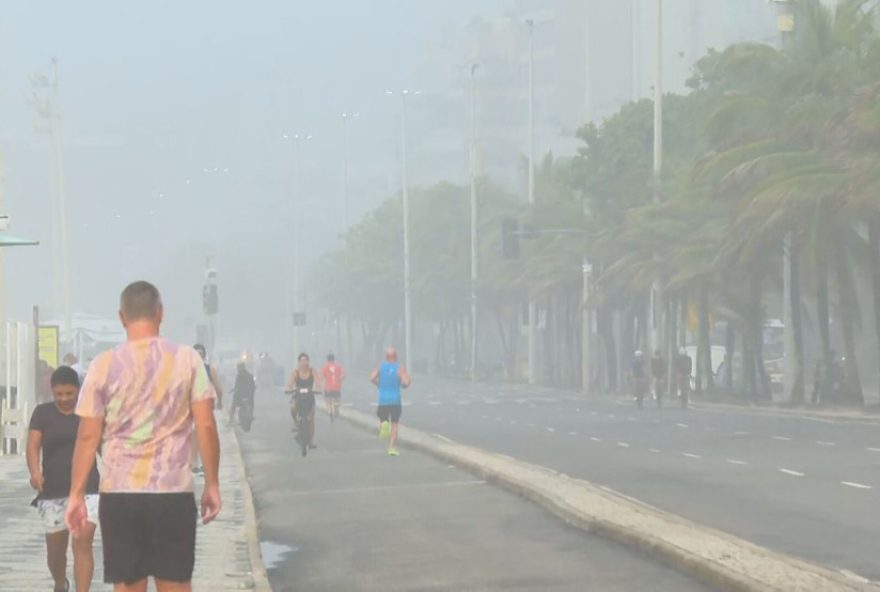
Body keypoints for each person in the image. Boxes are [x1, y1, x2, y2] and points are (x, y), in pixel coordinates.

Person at [65, 281, 221, 592]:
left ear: (122, 317)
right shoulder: (187, 360)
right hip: (173, 493)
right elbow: (205, 426)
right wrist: (212, 484)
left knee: (127, 584)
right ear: (160, 314)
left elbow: (86, 437)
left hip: (120, 494)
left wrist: (76, 495)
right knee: (175, 583)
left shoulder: (103, 365)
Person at [27, 366, 100, 592]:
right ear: (52, 391)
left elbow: (103, 444)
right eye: (59, 394)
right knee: (56, 552)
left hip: (88, 488)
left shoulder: (89, 412)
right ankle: (60, 582)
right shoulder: (42, 413)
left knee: (82, 541)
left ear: (78, 390)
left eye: (69, 394)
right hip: (53, 490)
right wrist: (35, 472)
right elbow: (33, 445)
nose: (64, 399)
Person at [369, 347, 411, 456]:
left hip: (383, 400)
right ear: (396, 356)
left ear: (386, 356)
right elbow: (406, 382)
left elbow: (371, 378)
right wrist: (402, 384)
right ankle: (392, 447)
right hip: (395, 400)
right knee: (395, 424)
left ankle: (384, 424)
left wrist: (379, 384)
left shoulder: (381, 366)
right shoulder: (399, 368)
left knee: (383, 418)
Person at [192, 343, 223, 475]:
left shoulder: (209, 370)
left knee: (199, 435)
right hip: (194, 406)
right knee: (197, 435)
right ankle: (198, 465)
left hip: (204, 406)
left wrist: (219, 401)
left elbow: (218, 388)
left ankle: (200, 465)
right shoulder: (207, 369)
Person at [285, 353, 319, 448]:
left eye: (305, 360)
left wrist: (318, 388)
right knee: (292, 408)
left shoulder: (312, 371)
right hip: (298, 396)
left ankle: (310, 442)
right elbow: (290, 383)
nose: (304, 362)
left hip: (309, 397)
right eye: (302, 360)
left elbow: (318, 381)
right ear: (298, 362)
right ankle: (295, 422)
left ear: (308, 362)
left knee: (311, 419)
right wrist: (289, 389)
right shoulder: (295, 372)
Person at [320, 353, 346, 420]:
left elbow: (321, 376)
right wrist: (340, 379)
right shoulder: (339, 366)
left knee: (328, 400)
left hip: (328, 387)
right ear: (334, 359)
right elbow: (343, 375)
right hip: (337, 387)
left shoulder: (325, 367)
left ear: (327, 359)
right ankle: (336, 410)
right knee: (337, 400)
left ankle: (330, 411)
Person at [229, 361, 256, 426]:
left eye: (238, 368)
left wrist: (235, 390)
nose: (238, 369)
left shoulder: (239, 376)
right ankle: (251, 414)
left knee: (233, 406)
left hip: (240, 395)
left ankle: (230, 420)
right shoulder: (250, 375)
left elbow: (237, 386)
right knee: (251, 404)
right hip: (248, 395)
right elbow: (253, 387)